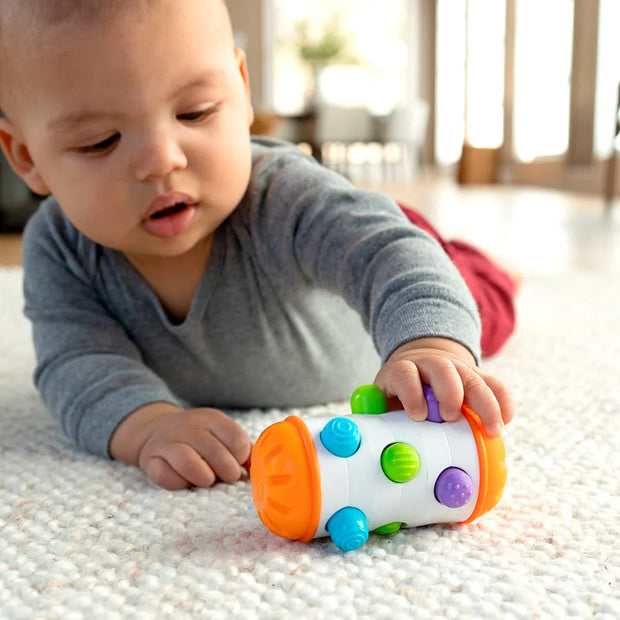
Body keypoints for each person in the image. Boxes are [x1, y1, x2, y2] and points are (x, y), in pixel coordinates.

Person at [0, 0, 516, 490]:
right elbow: (76, 360)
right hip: (353, 242)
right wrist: (149, 426)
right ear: (26, 157)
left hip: (373, 262)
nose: (161, 160)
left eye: (196, 112)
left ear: (242, 90)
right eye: (100, 142)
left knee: (467, 305)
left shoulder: (286, 196)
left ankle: (477, 264)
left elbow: (394, 259)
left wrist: (429, 345)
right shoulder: (60, 247)